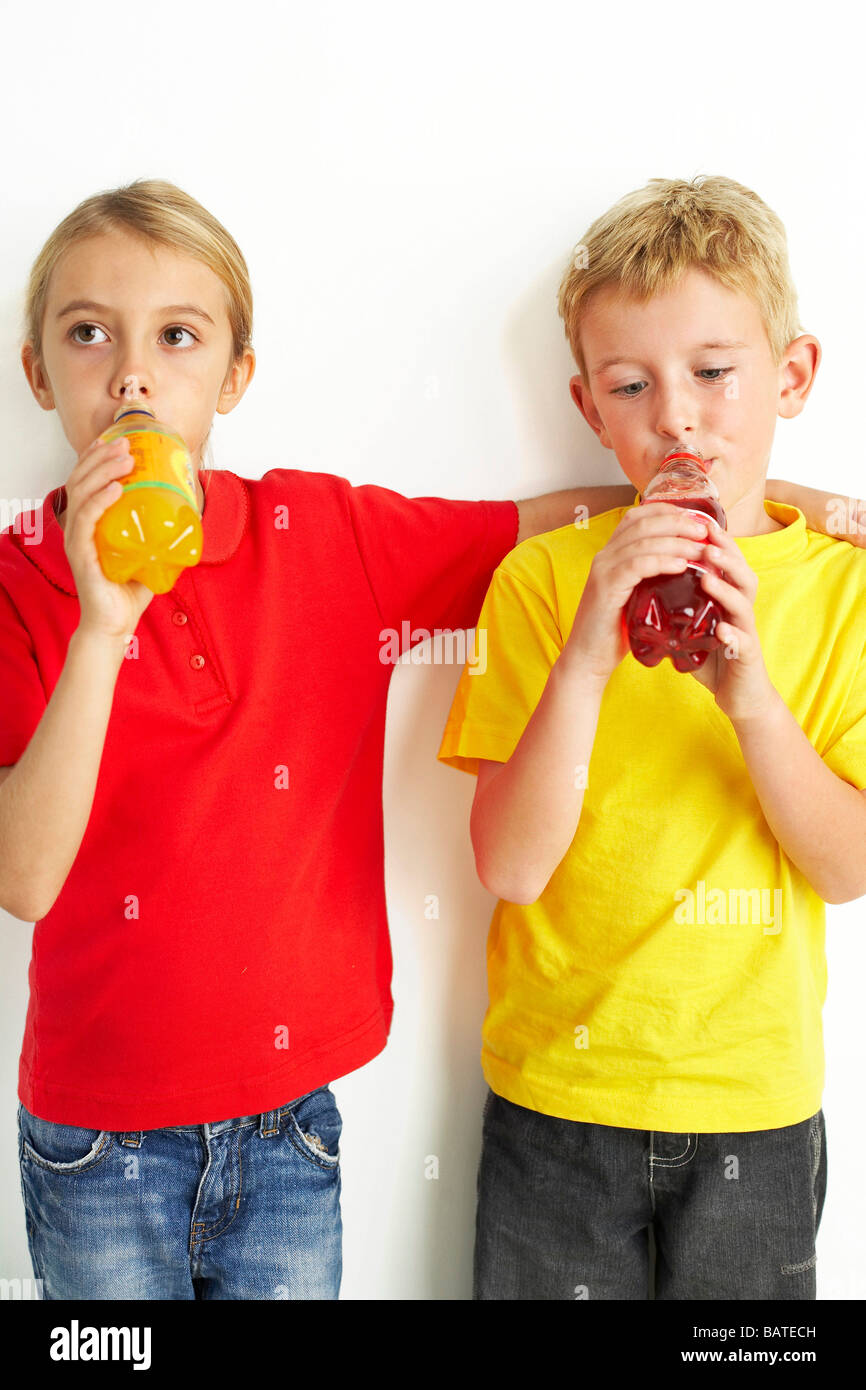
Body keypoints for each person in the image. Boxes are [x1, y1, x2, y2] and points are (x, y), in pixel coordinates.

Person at [437, 174, 866, 1300]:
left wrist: (750, 701)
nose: (676, 416)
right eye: (632, 386)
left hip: (754, 1108)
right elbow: (510, 864)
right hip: (557, 1105)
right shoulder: (540, 584)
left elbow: (846, 866)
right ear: (590, 410)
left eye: (713, 373)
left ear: (792, 375)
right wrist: (584, 655)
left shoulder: (843, 594)